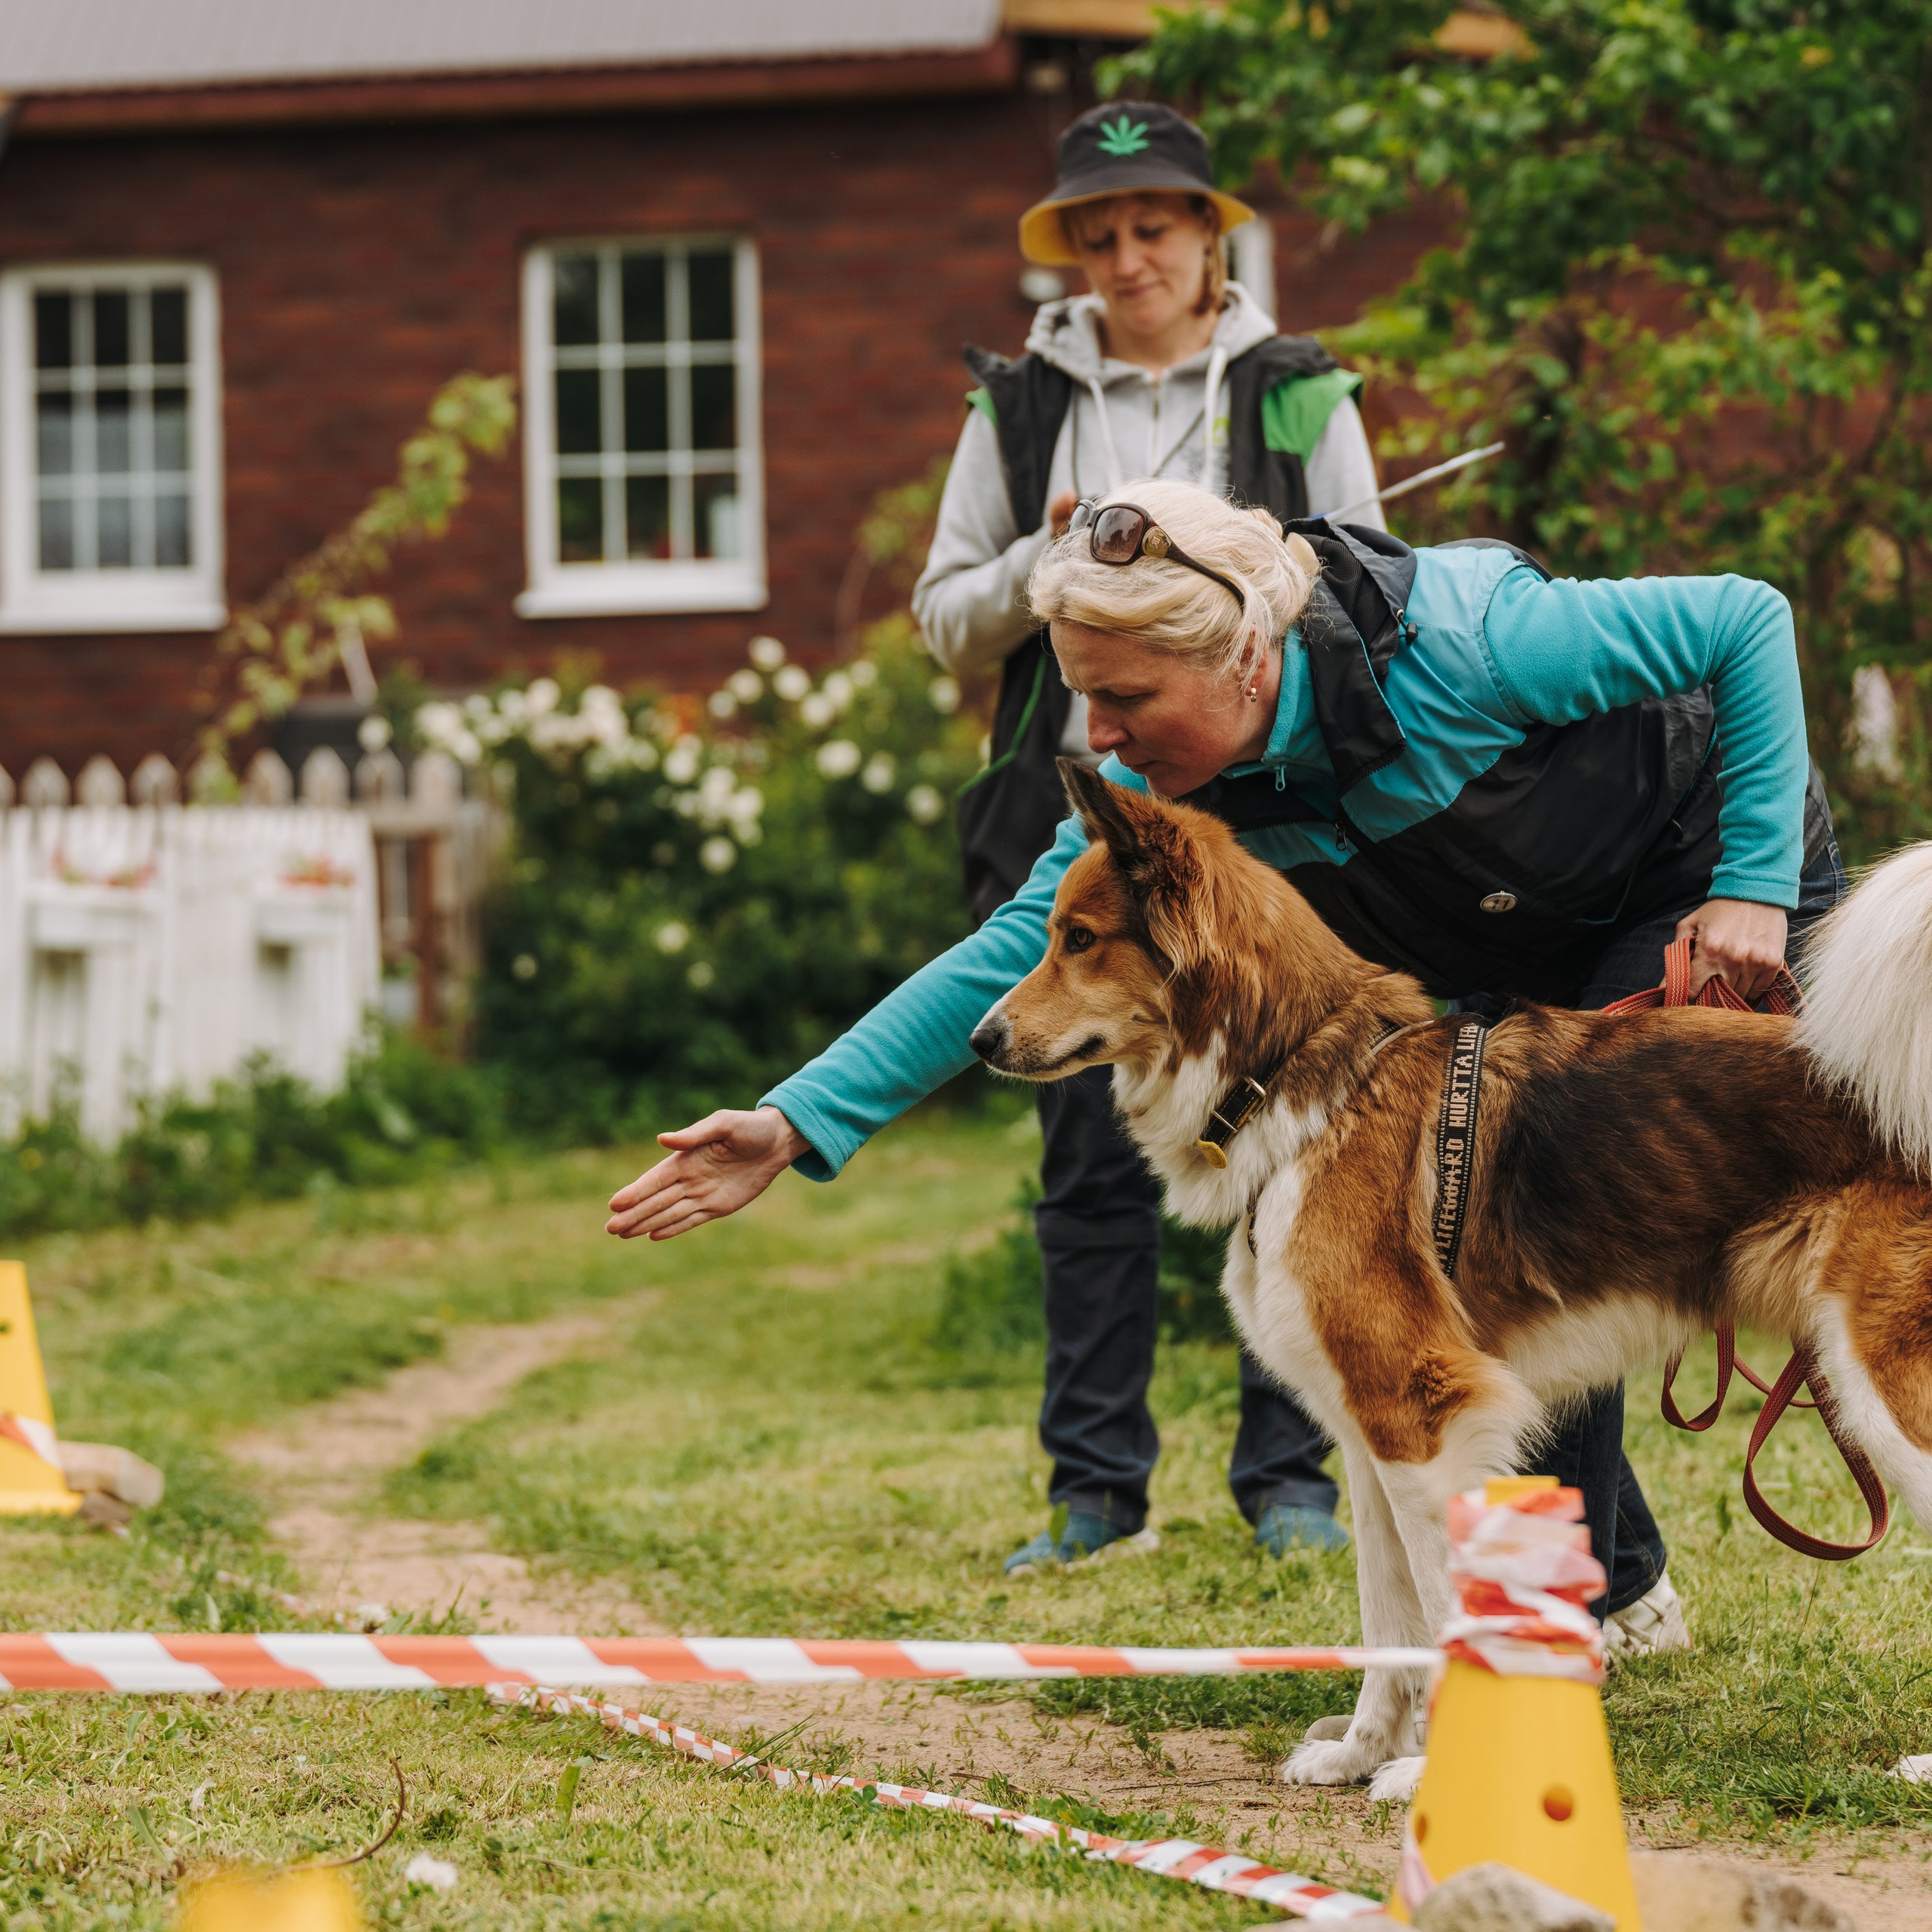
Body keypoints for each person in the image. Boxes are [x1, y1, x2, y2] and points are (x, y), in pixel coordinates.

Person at [609, 475, 1846, 1656]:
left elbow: (1746, 620)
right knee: (1455, 1281)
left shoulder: (1466, 640)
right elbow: (1012, 951)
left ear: (1245, 655)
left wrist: (1750, 882)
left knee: (1566, 1231)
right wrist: (797, 1119)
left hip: (1692, 867)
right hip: (1490, 934)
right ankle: (1593, 1598)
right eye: (1084, 699)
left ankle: (1567, 1611)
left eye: (1127, 697)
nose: (1102, 735)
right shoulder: (1165, 806)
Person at [911, 100, 1383, 1573]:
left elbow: (1366, 583)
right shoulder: (1017, 405)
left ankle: (1289, 1480)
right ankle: (1094, 1490)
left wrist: (1247, 579)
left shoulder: (1299, 393)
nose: (1127, 257)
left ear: (1205, 235)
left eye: (1153, 227)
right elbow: (941, 619)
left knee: (1295, 1142)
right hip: (1076, 824)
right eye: (1098, 233)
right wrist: (1042, 562)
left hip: (1266, 826)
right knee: (1088, 1170)